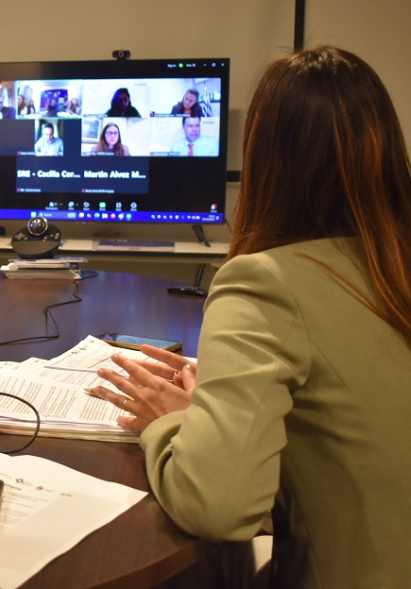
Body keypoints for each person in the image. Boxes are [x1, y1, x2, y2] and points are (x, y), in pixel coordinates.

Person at [88, 46, 411, 587]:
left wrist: (172, 423)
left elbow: (219, 507)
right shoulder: (391, 266)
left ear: (266, 159)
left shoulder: (265, 283)